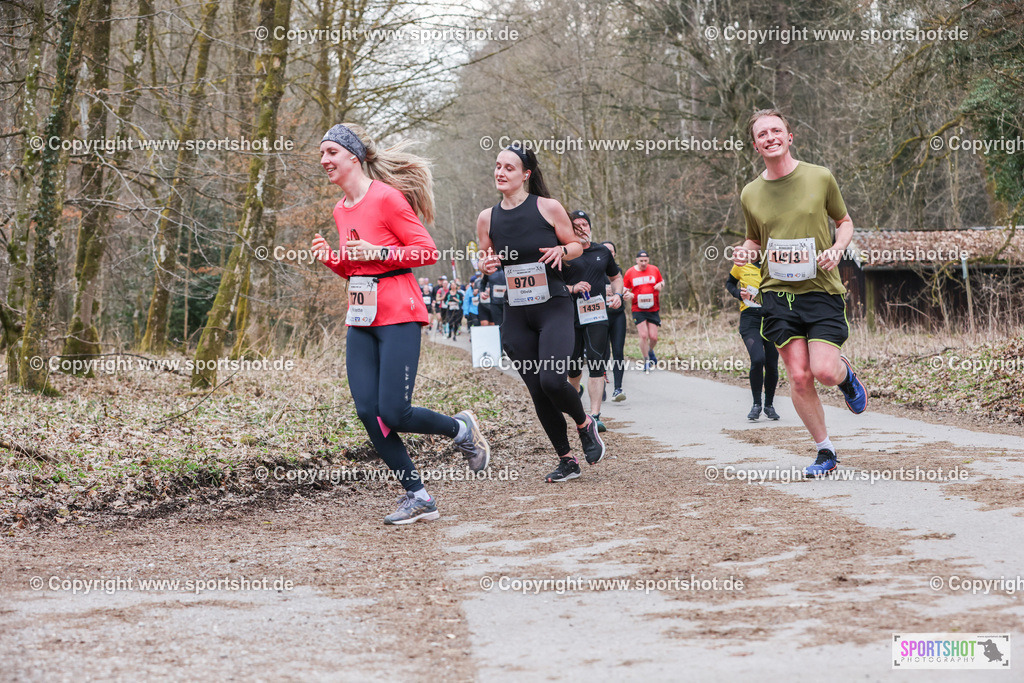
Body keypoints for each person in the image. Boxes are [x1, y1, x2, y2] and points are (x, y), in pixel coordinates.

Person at [312, 122, 490, 525]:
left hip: (398, 312)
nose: (324, 161)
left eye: (331, 153)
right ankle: (419, 495)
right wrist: (332, 258)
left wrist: (377, 248)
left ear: (352, 157)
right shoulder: (340, 210)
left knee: (394, 412)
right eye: (322, 154)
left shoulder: (387, 198)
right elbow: (358, 269)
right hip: (361, 316)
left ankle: (460, 430)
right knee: (367, 410)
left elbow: (425, 251)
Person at [733, 108, 867, 478]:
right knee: (799, 377)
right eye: (763, 134)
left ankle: (846, 378)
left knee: (823, 371)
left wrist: (838, 248)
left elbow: (844, 221)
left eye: (777, 130)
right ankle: (826, 451)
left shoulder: (819, 177)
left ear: (789, 137)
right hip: (777, 294)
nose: (771, 137)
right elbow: (754, 237)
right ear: (756, 144)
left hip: (820, 290)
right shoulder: (750, 193)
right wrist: (746, 250)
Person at [476, 144, 605, 482]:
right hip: (516, 312)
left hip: (553, 306)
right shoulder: (487, 217)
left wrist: (563, 249)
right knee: (537, 390)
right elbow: (485, 258)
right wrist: (486, 263)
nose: (500, 172)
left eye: (509, 168)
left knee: (552, 380)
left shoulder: (547, 207)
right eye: (497, 166)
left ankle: (584, 423)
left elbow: (578, 247)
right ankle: (567, 460)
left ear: (526, 175)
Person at [564, 210, 623, 432]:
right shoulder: (564, 253)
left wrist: (617, 294)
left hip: (596, 314)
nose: (581, 229)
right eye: (576, 226)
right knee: (574, 366)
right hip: (569, 314)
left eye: (584, 225)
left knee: (597, 362)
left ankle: (595, 415)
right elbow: (551, 285)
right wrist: (572, 288)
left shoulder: (602, 251)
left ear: (590, 227)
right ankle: (576, 408)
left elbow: (616, 277)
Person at [726, 258, 780, 421]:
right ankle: (756, 405)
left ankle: (769, 406)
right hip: (750, 319)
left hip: (771, 318)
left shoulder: (774, 264)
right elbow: (729, 283)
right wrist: (738, 294)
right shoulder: (741, 264)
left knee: (771, 362)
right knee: (758, 359)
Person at [622, 250, 664, 372]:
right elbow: (624, 289)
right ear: (636, 260)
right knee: (643, 335)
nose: (644, 263)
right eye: (641, 261)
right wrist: (628, 294)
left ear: (648, 260)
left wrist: (660, 285)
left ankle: (650, 351)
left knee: (654, 337)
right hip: (638, 308)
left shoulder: (654, 269)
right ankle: (646, 360)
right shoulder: (630, 272)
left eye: (646, 261)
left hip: (653, 307)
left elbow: (661, 281)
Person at [601, 241, 627, 401]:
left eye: (611, 250)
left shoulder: (618, 272)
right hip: (600, 316)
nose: (609, 253)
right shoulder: (594, 269)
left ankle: (618, 389)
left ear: (615, 254)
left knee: (618, 352)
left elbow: (623, 288)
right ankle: (600, 385)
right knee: (603, 354)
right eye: (606, 250)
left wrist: (626, 294)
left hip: (618, 315)